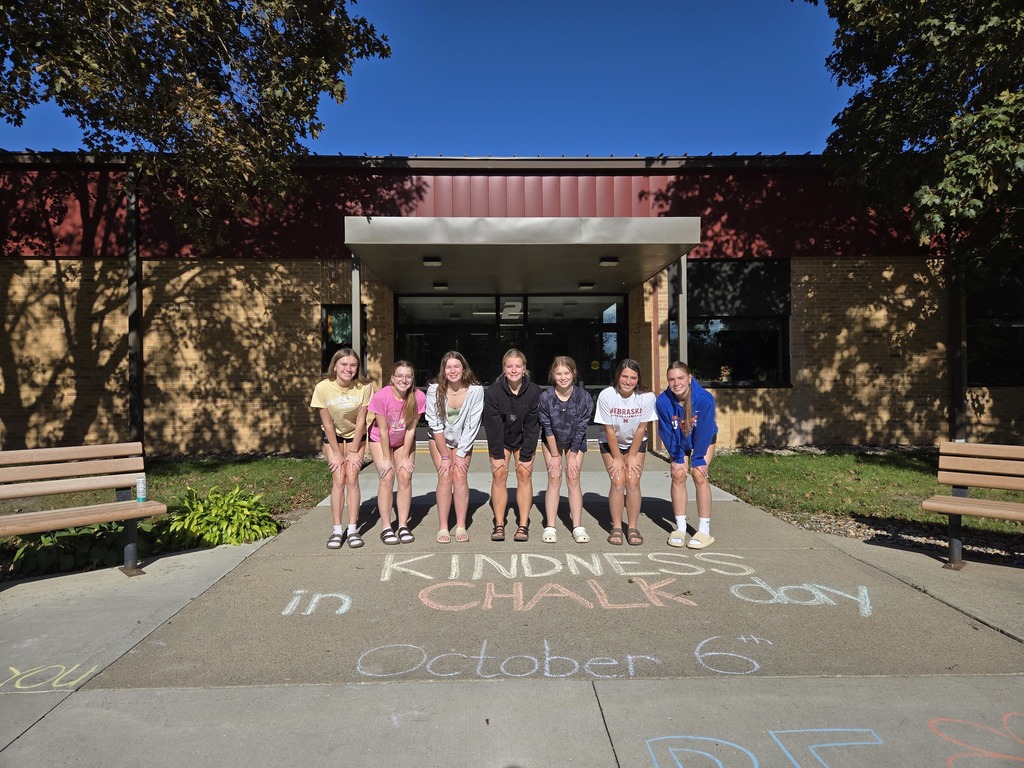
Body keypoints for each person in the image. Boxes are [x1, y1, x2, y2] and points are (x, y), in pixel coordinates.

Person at [309, 348, 373, 550]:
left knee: (352, 477)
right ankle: (337, 530)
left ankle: (353, 530)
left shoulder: (364, 386)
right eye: (344, 364)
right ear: (335, 366)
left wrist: (354, 451)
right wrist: (336, 454)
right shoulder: (323, 388)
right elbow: (327, 424)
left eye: (353, 365)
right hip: (333, 436)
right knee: (338, 478)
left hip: (356, 435)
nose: (348, 368)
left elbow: (362, 420)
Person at [656, 361, 719, 549]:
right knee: (678, 475)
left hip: (703, 438)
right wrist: (676, 458)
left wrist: (698, 458)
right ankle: (681, 527)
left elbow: (706, 430)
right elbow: (666, 431)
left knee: (699, 474)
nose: (677, 383)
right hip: (678, 439)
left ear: (689, 378)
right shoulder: (663, 401)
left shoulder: (705, 399)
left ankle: (704, 530)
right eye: (672, 379)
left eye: (681, 378)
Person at [594, 359, 658, 546]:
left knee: (632, 481)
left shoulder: (647, 397)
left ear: (638, 379)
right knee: (618, 481)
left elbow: (641, 428)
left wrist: (630, 456)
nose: (628, 381)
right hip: (610, 441)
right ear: (618, 376)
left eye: (633, 378)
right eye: (625, 376)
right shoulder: (607, 395)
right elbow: (609, 430)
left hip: (635, 443)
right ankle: (616, 527)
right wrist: (617, 458)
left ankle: (632, 527)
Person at [424, 351, 485, 543]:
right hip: (438, 439)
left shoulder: (475, 390)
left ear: (464, 368)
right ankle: (443, 527)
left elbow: (472, 425)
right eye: (448, 367)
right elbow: (434, 424)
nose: (453, 371)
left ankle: (460, 525)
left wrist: (460, 453)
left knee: (459, 476)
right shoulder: (434, 389)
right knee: (445, 476)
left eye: (456, 366)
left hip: (463, 440)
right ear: (443, 370)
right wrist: (444, 455)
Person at [483, 349, 542, 542]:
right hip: (502, 438)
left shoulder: (534, 391)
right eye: (509, 366)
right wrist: (497, 454)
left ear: (524, 368)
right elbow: (493, 426)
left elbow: (533, 426)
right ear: (504, 368)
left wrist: (526, 456)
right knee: (499, 473)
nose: (514, 370)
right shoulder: (493, 392)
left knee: (524, 473)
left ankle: (523, 525)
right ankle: (499, 524)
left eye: (518, 366)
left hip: (524, 437)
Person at [367, 360, 426, 545]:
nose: (404, 379)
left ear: (413, 379)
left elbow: (410, 430)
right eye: (399, 376)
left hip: (403, 440)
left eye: (408, 376)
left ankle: (402, 525)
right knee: (387, 476)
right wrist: (386, 459)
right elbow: (383, 430)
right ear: (392, 378)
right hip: (380, 439)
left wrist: (406, 457)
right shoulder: (381, 396)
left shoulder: (418, 397)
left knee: (405, 476)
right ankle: (386, 527)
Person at [537, 356, 594, 544]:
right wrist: (555, 455)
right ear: (553, 375)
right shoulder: (545, 398)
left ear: (574, 373)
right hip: (551, 440)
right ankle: (550, 525)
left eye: (567, 373)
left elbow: (581, 428)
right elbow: (547, 427)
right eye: (559, 373)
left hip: (574, 441)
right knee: (554, 478)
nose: (563, 377)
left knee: (573, 477)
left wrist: (573, 455)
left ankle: (577, 525)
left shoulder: (584, 398)